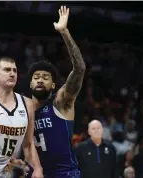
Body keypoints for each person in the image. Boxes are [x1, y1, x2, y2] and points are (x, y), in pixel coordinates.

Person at [10, 5, 85, 178]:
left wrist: (64, 32)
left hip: (65, 174)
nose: (40, 80)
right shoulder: (22, 110)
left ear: (53, 85)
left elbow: (79, 69)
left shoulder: (60, 103)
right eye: (36, 77)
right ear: (30, 84)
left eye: (45, 77)